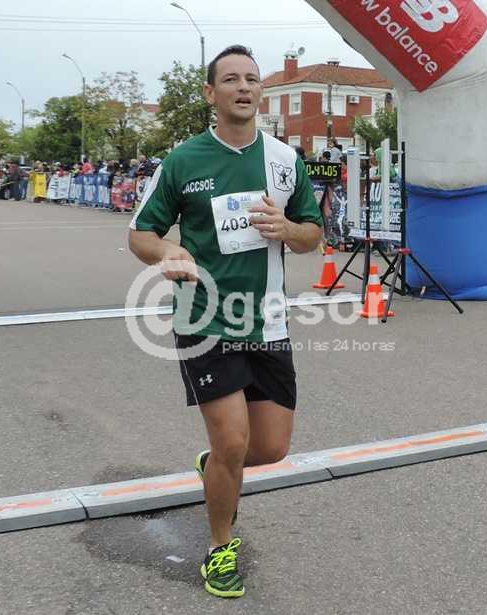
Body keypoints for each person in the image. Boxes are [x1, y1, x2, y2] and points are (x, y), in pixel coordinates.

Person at [129, 44, 322, 599]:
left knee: (270, 449)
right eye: (231, 79)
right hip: (205, 320)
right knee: (233, 443)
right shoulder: (183, 161)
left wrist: (288, 229)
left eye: (252, 79)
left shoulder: (284, 160)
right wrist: (167, 252)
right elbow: (141, 234)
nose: (244, 87)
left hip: (269, 323)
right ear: (211, 93)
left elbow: (313, 235)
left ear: (261, 91)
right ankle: (219, 547)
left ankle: (214, 466)